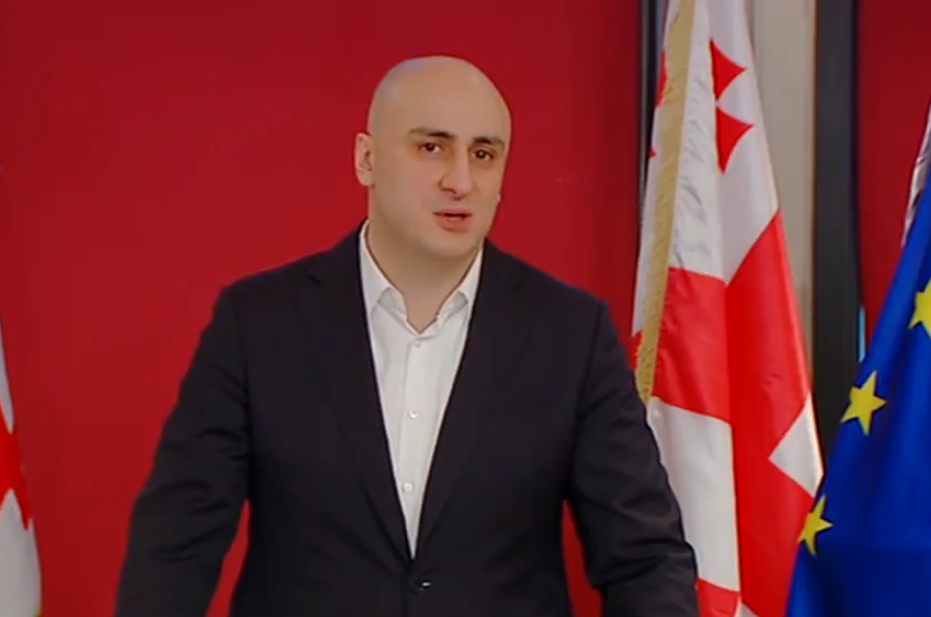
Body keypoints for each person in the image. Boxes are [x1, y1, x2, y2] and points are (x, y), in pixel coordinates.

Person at [114, 55, 699, 617]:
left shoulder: (570, 334)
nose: (460, 181)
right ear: (367, 159)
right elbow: (175, 543)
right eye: (431, 147)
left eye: (484, 154)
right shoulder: (258, 323)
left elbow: (644, 558)